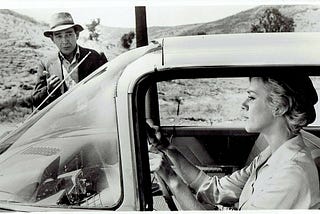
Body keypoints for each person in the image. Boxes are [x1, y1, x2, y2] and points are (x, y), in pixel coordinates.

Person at [149, 75, 320, 210]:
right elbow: (216, 191)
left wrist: (173, 181)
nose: (243, 105)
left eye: (252, 98)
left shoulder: (291, 174)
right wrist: (167, 148)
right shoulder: (272, 153)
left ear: (280, 106)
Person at [32, 12, 108, 109]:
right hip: (62, 120)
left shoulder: (94, 57)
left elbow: (107, 89)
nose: (64, 41)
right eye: (59, 36)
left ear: (76, 35)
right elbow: (36, 102)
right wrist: (49, 91)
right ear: (52, 39)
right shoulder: (46, 64)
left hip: (91, 116)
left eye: (69, 34)